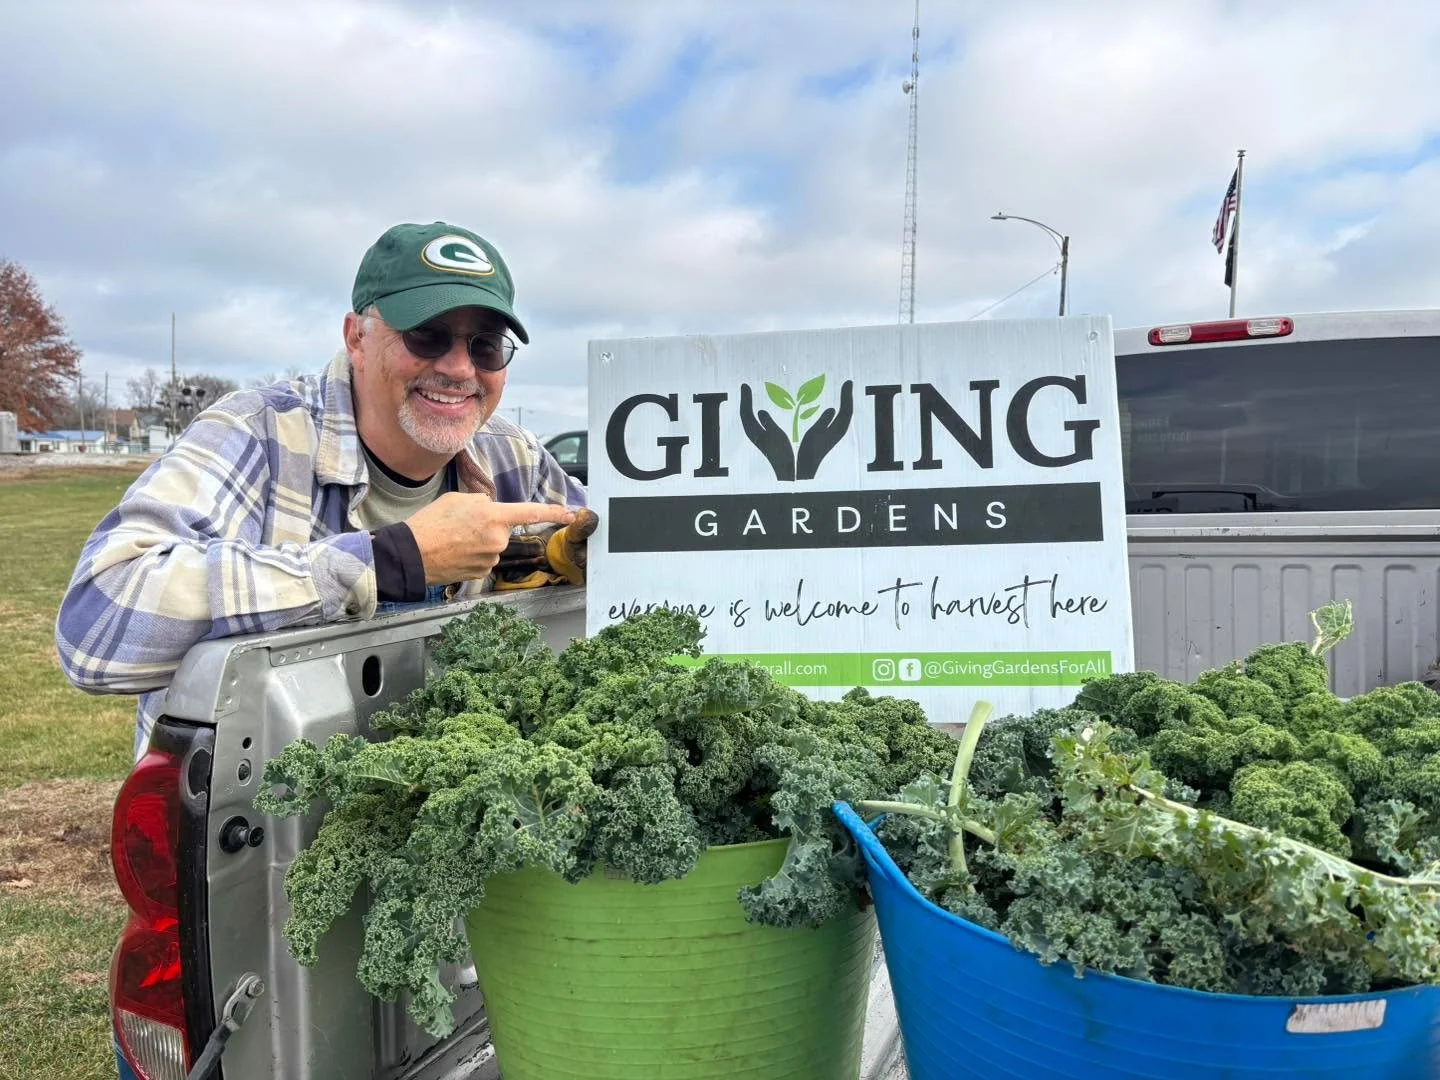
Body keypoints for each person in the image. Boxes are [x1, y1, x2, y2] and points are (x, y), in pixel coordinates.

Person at [55, 220, 596, 767]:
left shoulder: (514, 455)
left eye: (485, 346)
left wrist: (580, 556)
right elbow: (96, 627)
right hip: (258, 815)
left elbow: (613, 542)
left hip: (436, 797)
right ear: (356, 338)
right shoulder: (257, 432)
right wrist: (389, 560)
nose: (459, 368)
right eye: (426, 335)